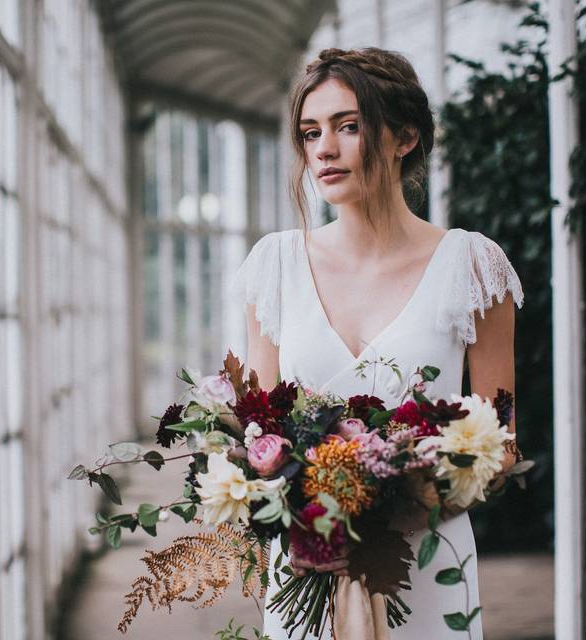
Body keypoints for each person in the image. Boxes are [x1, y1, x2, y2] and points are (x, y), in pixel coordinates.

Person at [229, 47, 524, 639]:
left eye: (348, 126)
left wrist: (396, 492)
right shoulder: (275, 266)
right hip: (308, 562)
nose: (324, 150)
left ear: (404, 136)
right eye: (311, 132)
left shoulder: (472, 264)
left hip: (428, 561)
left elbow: (504, 441)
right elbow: (254, 429)